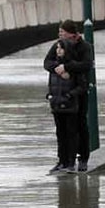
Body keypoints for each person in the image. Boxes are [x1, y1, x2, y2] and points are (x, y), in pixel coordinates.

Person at [44, 20, 93, 172]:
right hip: (60, 92)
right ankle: (63, 160)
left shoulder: (85, 47)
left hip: (78, 92)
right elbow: (47, 62)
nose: (60, 35)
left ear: (72, 34)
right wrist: (57, 69)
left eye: (62, 32)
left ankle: (82, 158)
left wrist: (67, 67)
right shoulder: (58, 45)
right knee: (62, 129)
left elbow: (86, 65)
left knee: (80, 126)